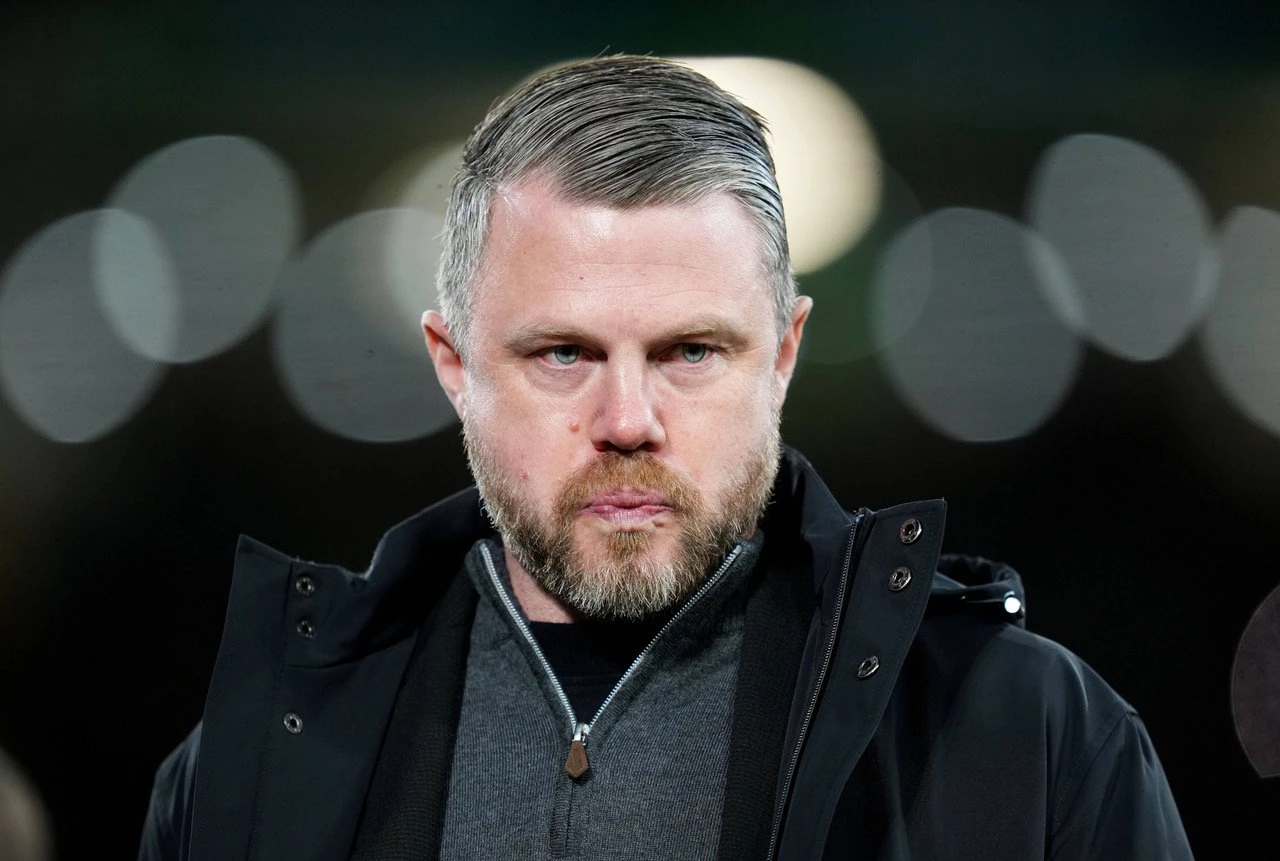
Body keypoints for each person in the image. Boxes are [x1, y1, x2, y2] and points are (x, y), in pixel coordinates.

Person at [138, 54, 1193, 860]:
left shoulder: (1027, 735)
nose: (627, 419)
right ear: (452, 365)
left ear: (782, 355)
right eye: (563, 353)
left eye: (691, 351)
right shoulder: (250, 775)